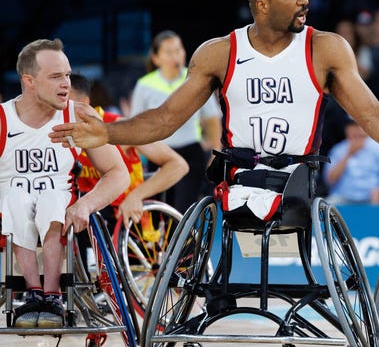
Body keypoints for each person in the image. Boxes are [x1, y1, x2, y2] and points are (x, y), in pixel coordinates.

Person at [48, 0, 379, 219]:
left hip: (299, 181)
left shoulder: (326, 48)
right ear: (262, 5)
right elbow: (164, 119)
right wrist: (108, 132)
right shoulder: (218, 53)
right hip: (237, 177)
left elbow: (373, 115)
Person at [0, 39, 129, 328]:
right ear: (29, 81)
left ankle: (52, 294)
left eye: (68, 75)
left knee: (49, 200)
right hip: (10, 207)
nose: (66, 83)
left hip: (60, 206)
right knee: (16, 199)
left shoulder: (79, 116)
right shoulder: (2, 120)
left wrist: (86, 204)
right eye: (56, 76)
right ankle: (32, 293)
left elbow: (118, 172)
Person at [69, 72, 189, 231]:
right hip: (84, 218)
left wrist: (137, 196)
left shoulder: (116, 127)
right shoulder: (53, 133)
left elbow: (178, 165)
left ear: (84, 103)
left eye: (65, 101)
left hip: (124, 220)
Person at [130, 30, 222, 214]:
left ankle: (185, 242)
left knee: (184, 209)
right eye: (169, 52)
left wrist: (216, 151)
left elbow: (212, 119)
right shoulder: (145, 84)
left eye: (179, 50)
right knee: (160, 212)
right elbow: (135, 124)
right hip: (160, 154)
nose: (176, 55)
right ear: (156, 58)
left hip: (191, 152)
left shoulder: (196, 79)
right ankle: (165, 243)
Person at [324, 119, 379, 204]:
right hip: (343, 197)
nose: (356, 129)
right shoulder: (338, 150)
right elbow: (330, 180)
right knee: (328, 204)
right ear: (346, 129)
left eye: (360, 125)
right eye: (352, 126)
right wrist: (349, 154)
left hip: (371, 197)